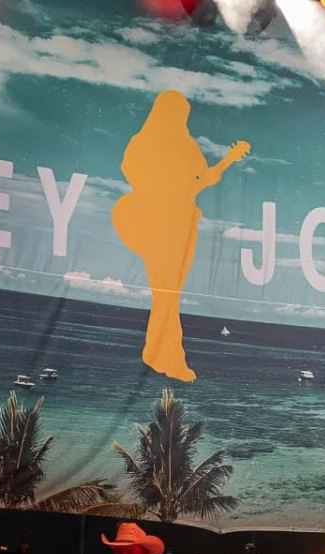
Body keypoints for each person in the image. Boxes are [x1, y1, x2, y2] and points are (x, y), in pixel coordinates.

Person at [111, 89, 249, 382]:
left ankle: (159, 354)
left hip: (181, 226)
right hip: (153, 221)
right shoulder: (143, 142)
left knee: (168, 291)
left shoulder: (187, 147)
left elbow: (202, 180)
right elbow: (130, 170)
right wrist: (165, 189)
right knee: (166, 290)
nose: (181, 121)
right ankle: (169, 358)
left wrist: (228, 160)